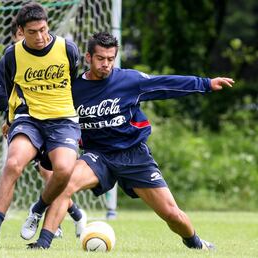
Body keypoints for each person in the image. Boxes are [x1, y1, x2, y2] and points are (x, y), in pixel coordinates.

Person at [25, 32, 234, 250]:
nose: (106, 64)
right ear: (88, 57)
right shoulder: (73, 90)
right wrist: (15, 120)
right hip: (99, 157)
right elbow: (45, 109)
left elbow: (164, 84)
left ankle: (196, 244)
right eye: (100, 58)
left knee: (172, 214)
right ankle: (42, 244)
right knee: (65, 184)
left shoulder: (129, 80)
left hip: (134, 155)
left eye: (110, 59)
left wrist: (206, 84)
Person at [0, 2, 85, 248]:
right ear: (20, 31)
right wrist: (9, 120)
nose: (40, 36)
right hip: (30, 120)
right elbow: (7, 92)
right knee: (14, 163)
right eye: (32, 32)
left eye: (43, 29)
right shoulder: (12, 55)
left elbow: (77, 86)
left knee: (64, 171)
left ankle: (37, 210)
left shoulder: (67, 49)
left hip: (63, 121)